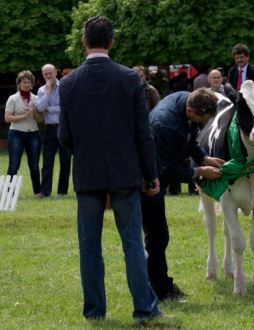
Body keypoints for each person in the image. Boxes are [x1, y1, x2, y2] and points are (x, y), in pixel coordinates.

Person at [58, 16, 161, 320]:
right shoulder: (130, 78)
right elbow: (143, 132)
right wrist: (151, 173)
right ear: (112, 41)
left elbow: (64, 136)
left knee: (89, 247)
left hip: (87, 172)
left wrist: (86, 153)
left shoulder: (68, 82)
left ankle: (94, 312)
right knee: (132, 244)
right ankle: (144, 309)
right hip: (124, 171)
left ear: (84, 41)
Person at [143, 88, 224, 301]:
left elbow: (190, 141)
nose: (203, 124)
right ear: (190, 110)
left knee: (158, 236)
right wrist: (199, 172)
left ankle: (160, 285)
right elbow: (167, 170)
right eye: (201, 119)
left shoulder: (189, 99)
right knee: (156, 237)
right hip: (147, 180)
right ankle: (158, 290)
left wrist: (204, 158)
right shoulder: (165, 125)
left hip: (158, 171)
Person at [4, 70, 43, 196]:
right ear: (19, 84)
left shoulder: (36, 99)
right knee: (14, 164)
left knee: (34, 165)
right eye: (24, 82)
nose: (26, 84)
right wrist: (24, 115)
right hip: (16, 134)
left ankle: (37, 192)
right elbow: (7, 118)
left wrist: (35, 112)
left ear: (32, 84)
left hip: (33, 134)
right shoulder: (13, 99)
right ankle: (9, 193)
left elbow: (40, 120)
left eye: (29, 82)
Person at [35, 64, 72, 198]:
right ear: (43, 75)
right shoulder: (41, 90)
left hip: (64, 127)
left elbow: (65, 108)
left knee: (65, 160)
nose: (49, 76)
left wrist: (49, 109)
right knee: (47, 161)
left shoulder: (64, 87)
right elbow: (39, 107)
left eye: (50, 73)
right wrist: (48, 92)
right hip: (50, 128)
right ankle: (45, 191)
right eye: (46, 74)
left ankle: (62, 192)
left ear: (56, 72)